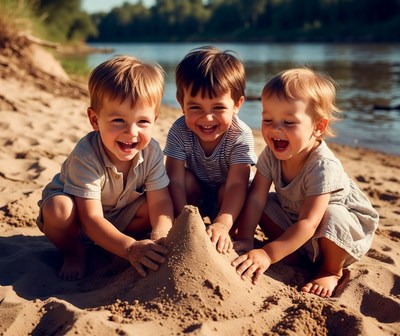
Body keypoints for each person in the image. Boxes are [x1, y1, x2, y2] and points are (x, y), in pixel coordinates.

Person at [232, 67, 379, 298]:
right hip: (296, 222)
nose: (275, 129)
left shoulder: (322, 166)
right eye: (268, 119)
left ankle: (330, 270)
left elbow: (310, 222)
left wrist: (268, 254)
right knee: (265, 201)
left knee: (333, 214)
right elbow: (257, 198)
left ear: (318, 127)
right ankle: (295, 253)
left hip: (337, 235)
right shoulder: (270, 155)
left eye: (289, 122)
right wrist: (246, 237)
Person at [37, 56, 174, 281]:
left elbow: (160, 201)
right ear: (94, 119)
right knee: (58, 208)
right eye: (118, 120)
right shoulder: (86, 155)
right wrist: (130, 248)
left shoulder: (151, 152)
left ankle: (112, 244)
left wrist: (160, 234)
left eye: (143, 122)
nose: (131, 132)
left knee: (155, 207)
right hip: (78, 221)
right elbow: (90, 218)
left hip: (118, 215)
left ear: (155, 119)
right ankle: (74, 253)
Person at [164, 46, 257, 255]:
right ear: (181, 103)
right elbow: (175, 180)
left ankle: (223, 230)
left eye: (218, 108)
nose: (207, 118)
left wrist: (223, 223)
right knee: (185, 180)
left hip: (231, 200)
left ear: (237, 104)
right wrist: (183, 220)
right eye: (195, 107)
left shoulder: (240, 135)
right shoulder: (179, 130)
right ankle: (191, 220)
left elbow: (237, 184)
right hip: (197, 195)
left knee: (230, 188)